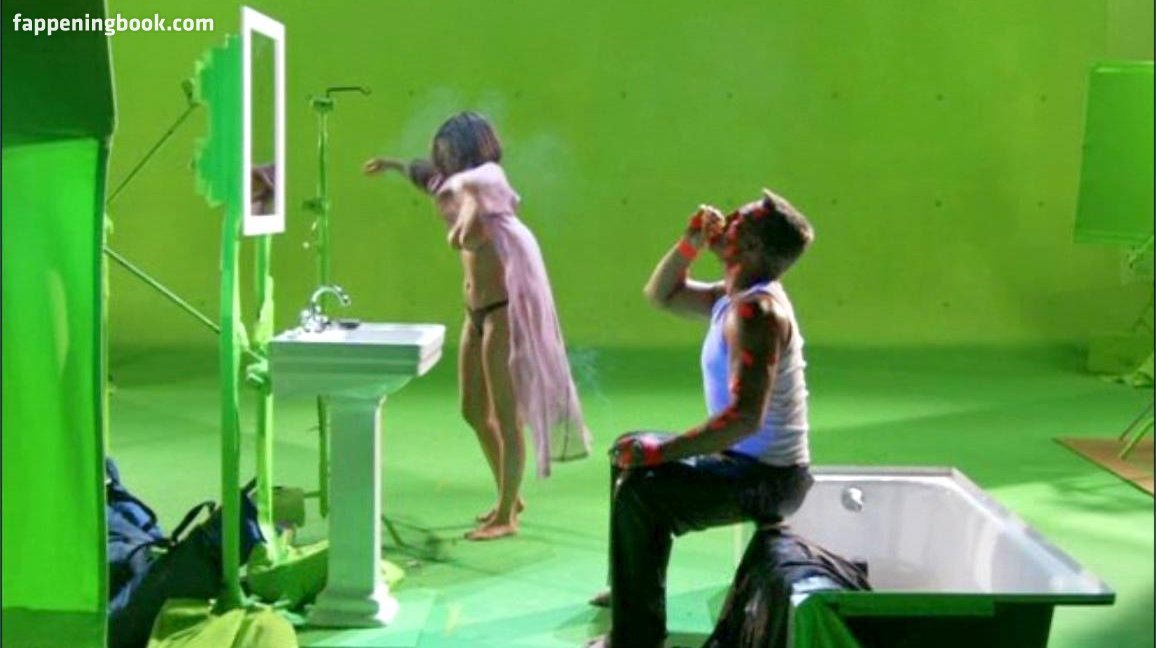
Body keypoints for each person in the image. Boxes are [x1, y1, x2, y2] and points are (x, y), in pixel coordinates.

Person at [589, 189, 816, 647]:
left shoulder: (757, 313)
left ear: (752, 247)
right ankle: (631, 588)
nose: (727, 218)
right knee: (627, 449)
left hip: (769, 479)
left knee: (641, 491)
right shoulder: (730, 297)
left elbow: (744, 419)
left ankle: (636, 637)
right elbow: (661, 294)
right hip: (744, 463)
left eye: (740, 219)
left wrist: (661, 452)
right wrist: (689, 243)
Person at [364, 111, 591, 540]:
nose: (443, 161)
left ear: (468, 150)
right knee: (472, 410)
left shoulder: (488, 183)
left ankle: (506, 514)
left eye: (449, 152)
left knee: (506, 416)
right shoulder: (460, 185)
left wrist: (461, 219)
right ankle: (510, 495)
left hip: (504, 310)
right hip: (476, 312)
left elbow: (470, 224)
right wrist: (393, 165)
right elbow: (428, 178)